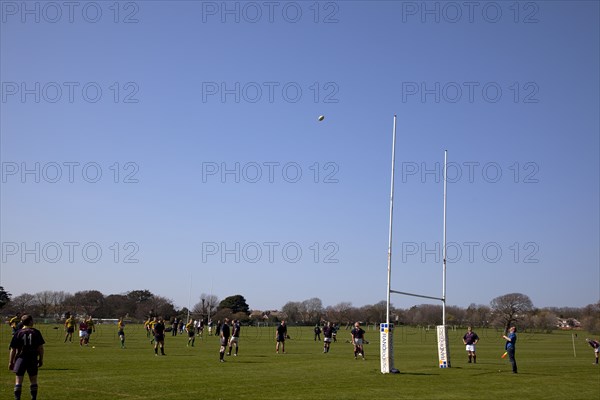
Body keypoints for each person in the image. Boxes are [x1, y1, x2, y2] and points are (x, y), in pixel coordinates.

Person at [8, 315, 45, 400]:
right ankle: (33, 398)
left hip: (20, 358)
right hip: (32, 358)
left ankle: (17, 398)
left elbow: (13, 349)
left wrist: (11, 362)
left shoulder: (18, 333)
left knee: (18, 381)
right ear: (30, 321)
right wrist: (41, 359)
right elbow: (40, 348)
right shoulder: (36, 332)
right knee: (33, 381)